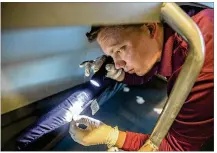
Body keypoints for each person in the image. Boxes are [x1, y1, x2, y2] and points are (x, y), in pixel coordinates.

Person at [69, 5, 213, 151]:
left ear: (150, 29)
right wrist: (122, 75)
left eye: (120, 49)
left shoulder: (200, 70)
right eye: (111, 55)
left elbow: (176, 147)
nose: (118, 64)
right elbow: (149, 70)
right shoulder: (173, 25)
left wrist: (112, 136)